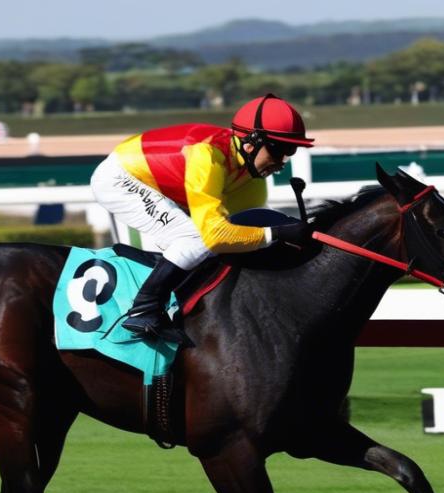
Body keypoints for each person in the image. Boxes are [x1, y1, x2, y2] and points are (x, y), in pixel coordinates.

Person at [90, 93, 315, 344]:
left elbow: (240, 233)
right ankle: (144, 309)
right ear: (251, 142)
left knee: (205, 246)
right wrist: (276, 234)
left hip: (163, 187)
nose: (282, 162)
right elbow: (216, 236)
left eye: (290, 152)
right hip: (120, 179)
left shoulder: (250, 178)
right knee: (196, 239)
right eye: (278, 150)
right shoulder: (207, 156)